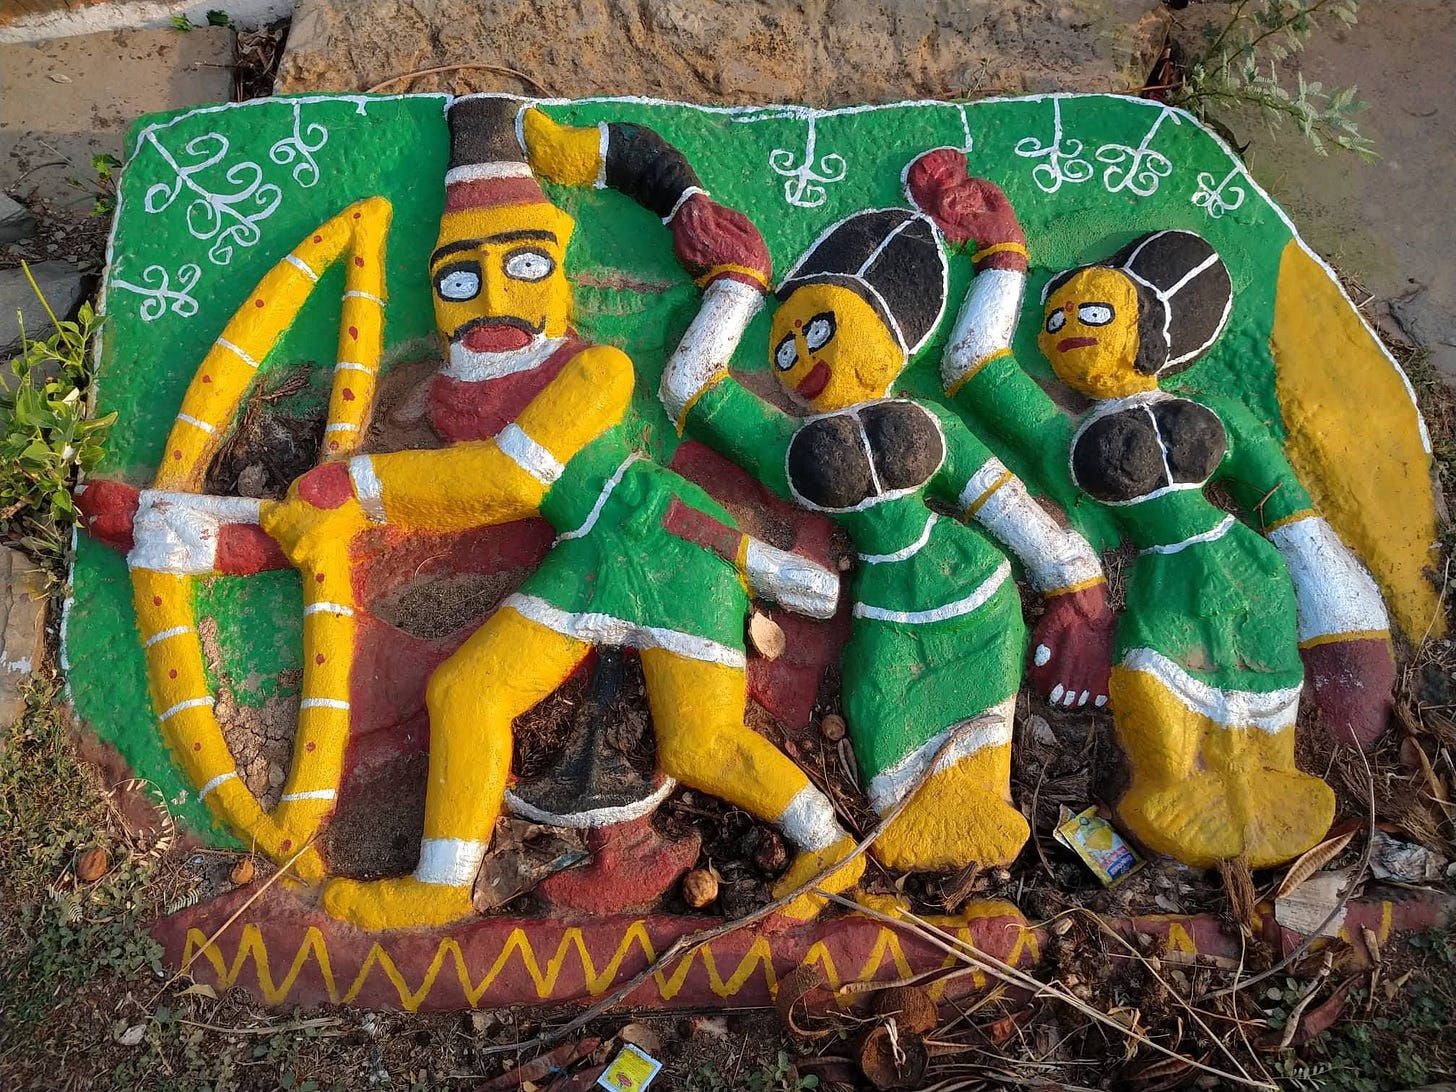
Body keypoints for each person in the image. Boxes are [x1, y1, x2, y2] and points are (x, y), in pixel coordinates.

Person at [260, 96, 865, 929]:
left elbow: (510, 480)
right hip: (587, 556)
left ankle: (826, 842)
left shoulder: (598, 373)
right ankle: (440, 887)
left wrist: (354, 488)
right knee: (467, 693)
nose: (493, 299)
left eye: (526, 267)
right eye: (461, 279)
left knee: (701, 744)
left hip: (670, 554)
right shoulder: (463, 396)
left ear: (561, 268)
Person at [911, 147, 1395, 865]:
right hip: (1164, 575)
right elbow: (973, 362)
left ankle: (1274, 800)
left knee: (1259, 687)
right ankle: (1170, 793)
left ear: (1144, 322)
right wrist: (1004, 258)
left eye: (1096, 310)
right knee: (1151, 675)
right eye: (1057, 317)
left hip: (1251, 568)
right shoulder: (1064, 439)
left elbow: (1290, 512)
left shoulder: (1216, 409)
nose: (1072, 325)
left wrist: (1346, 628)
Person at [652, 192, 1114, 872]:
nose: (801, 353)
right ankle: (921, 844)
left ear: (889, 334)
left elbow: (1001, 498)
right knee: (879, 710)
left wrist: (1078, 591)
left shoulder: (928, 421)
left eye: (822, 330)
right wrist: (738, 286)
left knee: (980, 746)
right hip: (886, 606)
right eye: (787, 341)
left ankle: (983, 860)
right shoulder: (789, 444)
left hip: (977, 589)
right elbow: (689, 387)